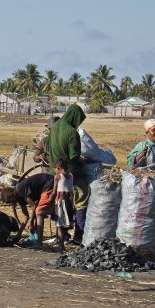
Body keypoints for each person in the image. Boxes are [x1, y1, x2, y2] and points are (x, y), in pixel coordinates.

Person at [45, 104, 88, 244]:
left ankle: (62, 235)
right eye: (79, 120)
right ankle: (78, 235)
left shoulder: (55, 128)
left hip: (55, 173)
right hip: (70, 175)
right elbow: (74, 156)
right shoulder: (71, 132)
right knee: (82, 200)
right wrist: (82, 162)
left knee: (61, 205)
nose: (79, 124)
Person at [2, 173, 54, 246]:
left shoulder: (19, 190)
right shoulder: (19, 198)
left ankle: (39, 242)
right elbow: (25, 216)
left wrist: (31, 222)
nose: (12, 203)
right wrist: (18, 234)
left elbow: (34, 206)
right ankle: (36, 237)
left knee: (39, 212)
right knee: (39, 212)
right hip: (43, 188)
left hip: (48, 182)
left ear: (11, 195)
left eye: (10, 201)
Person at [47, 158, 75, 252]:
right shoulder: (71, 176)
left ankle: (61, 246)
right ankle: (62, 244)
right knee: (65, 224)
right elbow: (71, 191)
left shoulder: (57, 177)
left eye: (55, 168)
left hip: (61, 202)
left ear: (58, 168)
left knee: (59, 225)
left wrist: (49, 198)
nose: (54, 171)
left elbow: (54, 191)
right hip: (69, 202)